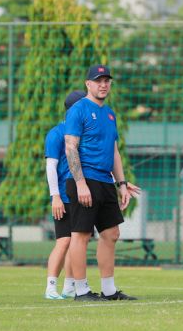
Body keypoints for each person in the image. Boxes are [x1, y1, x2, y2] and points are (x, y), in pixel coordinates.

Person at [65, 65, 137, 302]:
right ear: (88, 84)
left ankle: (108, 290)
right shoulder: (78, 110)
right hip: (85, 179)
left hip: (105, 181)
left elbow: (114, 151)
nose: (103, 84)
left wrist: (122, 183)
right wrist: (80, 183)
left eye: (107, 80)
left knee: (111, 234)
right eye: (98, 81)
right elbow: (71, 147)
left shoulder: (109, 114)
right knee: (81, 235)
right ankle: (81, 290)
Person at [44, 90, 87, 299]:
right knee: (63, 241)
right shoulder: (57, 133)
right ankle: (51, 287)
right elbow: (51, 166)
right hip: (63, 195)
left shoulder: (83, 134)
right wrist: (55, 196)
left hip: (80, 195)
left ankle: (69, 286)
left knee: (77, 241)